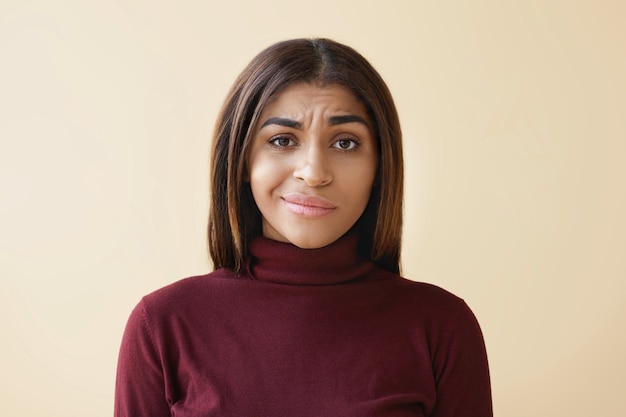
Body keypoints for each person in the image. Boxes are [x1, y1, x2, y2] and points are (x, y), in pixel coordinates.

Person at [114, 38, 492, 416]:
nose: (313, 173)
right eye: (282, 140)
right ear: (243, 162)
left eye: (345, 143)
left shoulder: (442, 327)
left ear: (380, 166)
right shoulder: (163, 326)